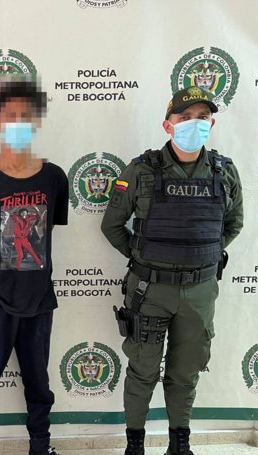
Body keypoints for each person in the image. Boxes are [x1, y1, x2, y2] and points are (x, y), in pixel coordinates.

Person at [101, 87, 244, 455]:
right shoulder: (141, 170)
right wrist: (144, 255)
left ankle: (180, 444)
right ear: (168, 125)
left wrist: (204, 255)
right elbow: (112, 225)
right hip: (150, 290)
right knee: (143, 370)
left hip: (199, 292)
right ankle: (135, 445)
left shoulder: (225, 171)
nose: (194, 124)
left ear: (211, 124)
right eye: (185, 117)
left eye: (202, 117)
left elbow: (233, 223)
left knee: (186, 372)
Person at [0, 80, 69, 455]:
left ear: (36, 122)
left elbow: (47, 233)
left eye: (25, 116)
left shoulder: (54, 178)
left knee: (39, 384)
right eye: (10, 116)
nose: (18, 122)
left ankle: (41, 445)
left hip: (39, 300)